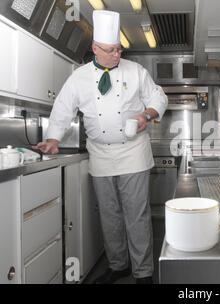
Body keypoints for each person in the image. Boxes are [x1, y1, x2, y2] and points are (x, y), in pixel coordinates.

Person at [32, 10, 168, 284]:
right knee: (109, 214)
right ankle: (118, 265)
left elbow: (159, 96)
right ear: (95, 48)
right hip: (100, 155)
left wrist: (147, 115)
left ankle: (143, 272)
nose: (117, 55)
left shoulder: (136, 71)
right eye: (110, 50)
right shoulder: (78, 78)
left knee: (136, 215)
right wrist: (54, 138)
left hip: (133, 153)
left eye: (119, 50)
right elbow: (62, 108)